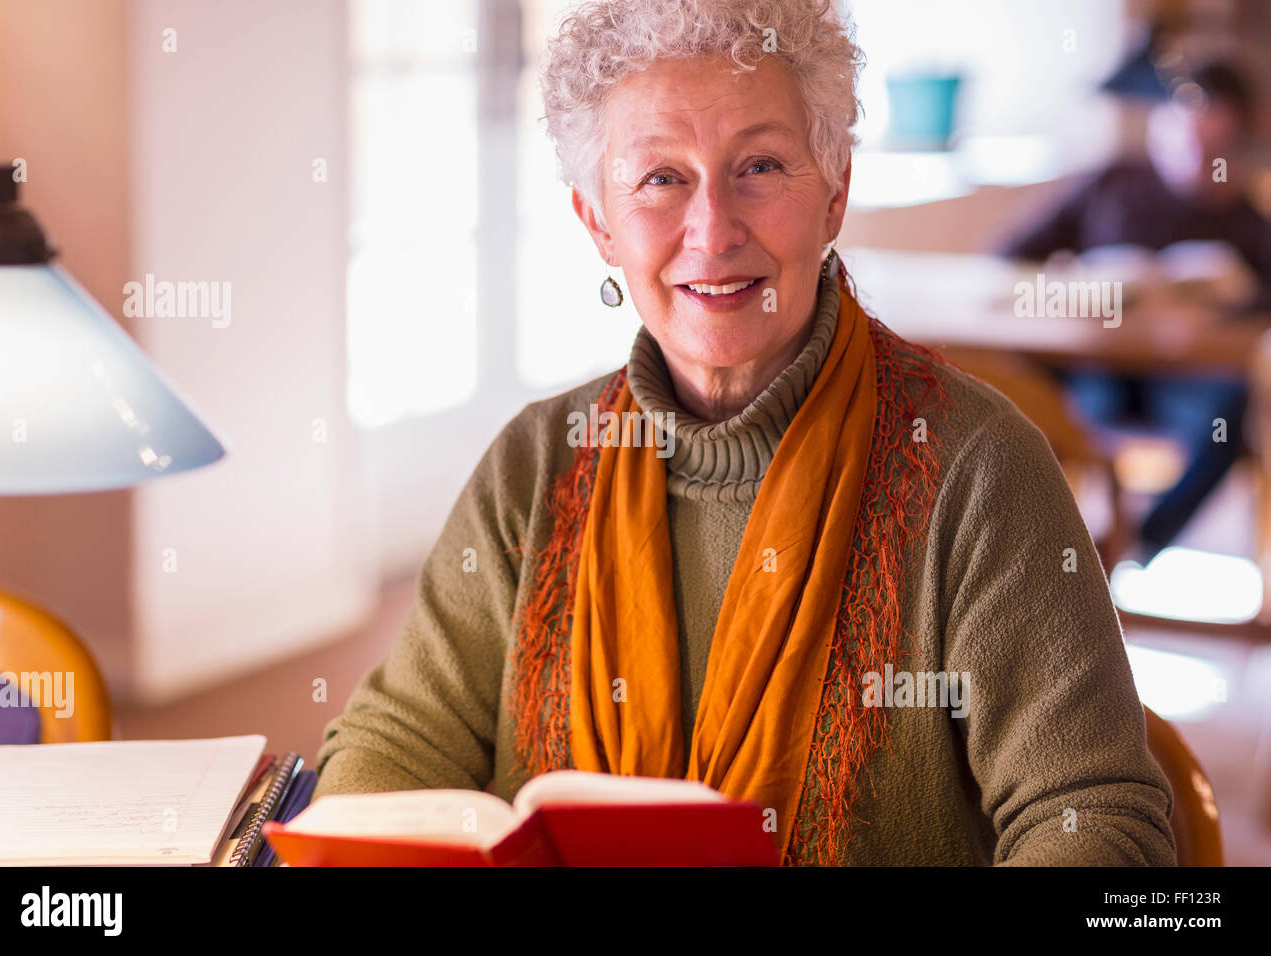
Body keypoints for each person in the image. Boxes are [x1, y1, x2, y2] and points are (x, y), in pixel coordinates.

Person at [314, 0, 1175, 866]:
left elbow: (1094, 820)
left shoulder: (978, 469)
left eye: (759, 165)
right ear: (597, 222)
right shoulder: (534, 464)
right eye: (660, 178)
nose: (713, 231)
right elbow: (393, 746)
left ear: (835, 191)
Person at [997, 61, 1271, 561]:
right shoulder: (1111, 184)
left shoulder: (1248, 223)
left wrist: (1228, 301)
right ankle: (1053, 550)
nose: (1199, 159)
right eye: (1189, 140)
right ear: (1163, 128)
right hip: (1096, 371)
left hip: (1185, 382)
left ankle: (1131, 546)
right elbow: (1007, 257)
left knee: (1229, 418)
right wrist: (1069, 285)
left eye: (1215, 149)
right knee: (1030, 401)